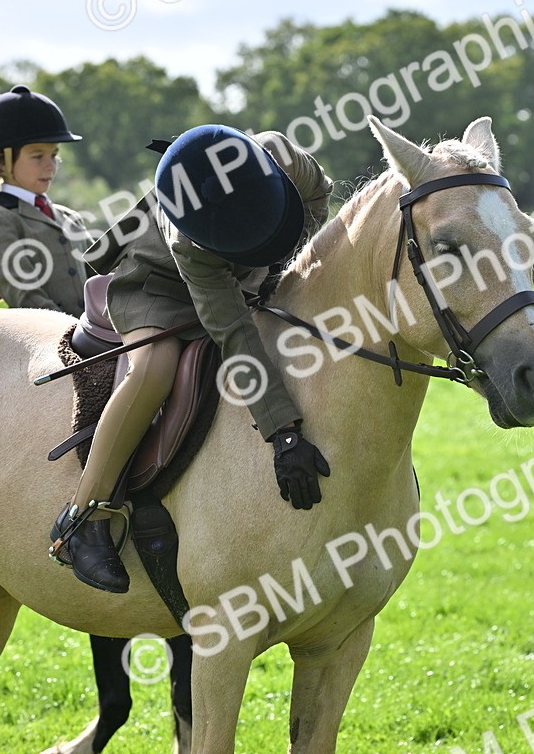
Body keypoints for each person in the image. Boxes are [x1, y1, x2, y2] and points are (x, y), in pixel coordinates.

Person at [49, 124, 334, 593]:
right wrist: (283, 433)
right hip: (158, 283)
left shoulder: (284, 156)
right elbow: (234, 333)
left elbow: (318, 199)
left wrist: (279, 262)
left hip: (249, 267)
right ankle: (83, 518)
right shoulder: (190, 242)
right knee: (155, 368)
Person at [0, 85, 91, 315]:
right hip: (50, 342)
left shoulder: (70, 218)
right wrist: (77, 334)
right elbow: (26, 297)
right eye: (37, 156)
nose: (50, 165)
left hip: (98, 340)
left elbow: (102, 282)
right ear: (2, 162)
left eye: (54, 155)